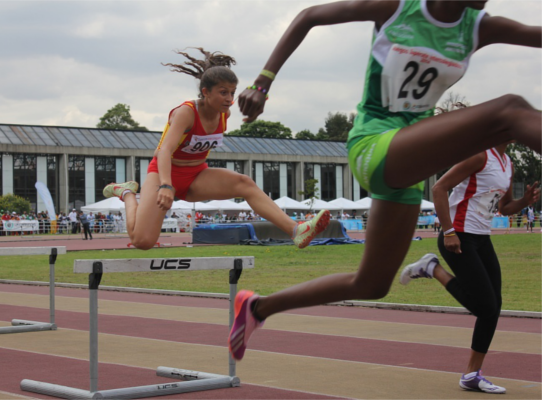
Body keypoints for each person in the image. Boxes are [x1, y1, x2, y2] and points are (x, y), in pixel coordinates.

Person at [228, 0, 542, 394]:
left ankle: (257, 307)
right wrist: (262, 82)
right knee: (510, 110)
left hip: (407, 167)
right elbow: (309, 16)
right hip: (374, 145)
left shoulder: (478, 27)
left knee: (372, 284)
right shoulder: (397, 7)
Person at [103, 47, 330, 250]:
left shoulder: (225, 114)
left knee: (245, 183)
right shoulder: (186, 112)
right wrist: (165, 185)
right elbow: (163, 151)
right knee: (142, 242)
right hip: (165, 173)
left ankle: (296, 230)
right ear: (206, 92)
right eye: (223, 92)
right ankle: (127, 193)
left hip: (196, 175)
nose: (229, 99)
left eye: (232, 92)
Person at [400, 141, 539, 394]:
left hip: (481, 237)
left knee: (493, 305)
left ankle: (472, 374)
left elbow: (505, 208)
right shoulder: (479, 156)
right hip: (459, 235)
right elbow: (439, 188)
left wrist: (525, 201)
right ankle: (433, 268)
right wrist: (449, 231)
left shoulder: (508, 164)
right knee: (485, 306)